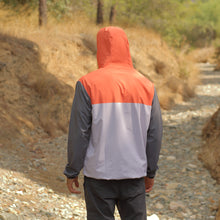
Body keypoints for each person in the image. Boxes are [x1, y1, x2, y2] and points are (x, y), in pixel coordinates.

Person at [64, 26, 163, 220]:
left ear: (100, 49)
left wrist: (72, 170)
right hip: (134, 175)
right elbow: (155, 134)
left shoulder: (87, 84)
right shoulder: (147, 85)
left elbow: (79, 132)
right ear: (126, 46)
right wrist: (150, 172)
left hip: (98, 176)